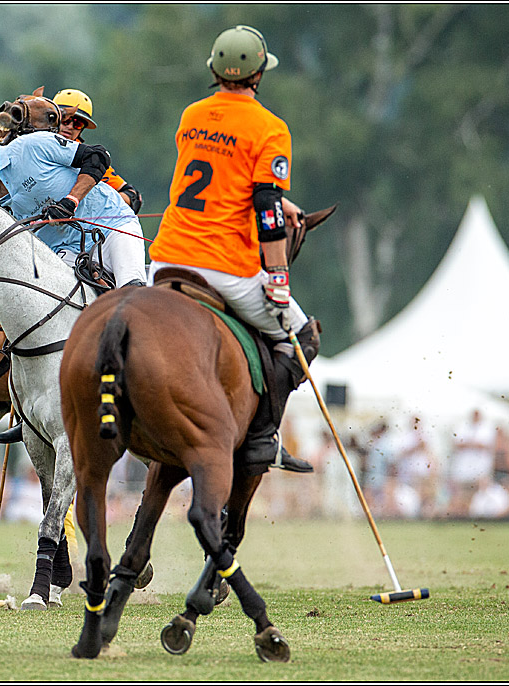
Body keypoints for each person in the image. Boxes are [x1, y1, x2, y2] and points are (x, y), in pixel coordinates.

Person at [146, 25, 318, 474]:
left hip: (164, 258)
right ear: (258, 73)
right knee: (302, 336)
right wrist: (278, 275)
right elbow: (264, 205)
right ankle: (262, 437)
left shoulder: (192, 116)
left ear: (215, 71)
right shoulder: (270, 128)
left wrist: (279, 198)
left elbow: (222, 175)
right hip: (224, 268)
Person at [0, 121, 148, 289]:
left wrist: (71, 200)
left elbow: (98, 156)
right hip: (66, 255)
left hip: (111, 230)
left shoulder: (31, 146)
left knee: (131, 295)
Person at [51, 88, 143, 213]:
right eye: (65, 120)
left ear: (82, 129)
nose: (70, 127)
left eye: (77, 124)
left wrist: (94, 197)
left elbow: (133, 197)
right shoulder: (35, 143)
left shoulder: (89, 159)